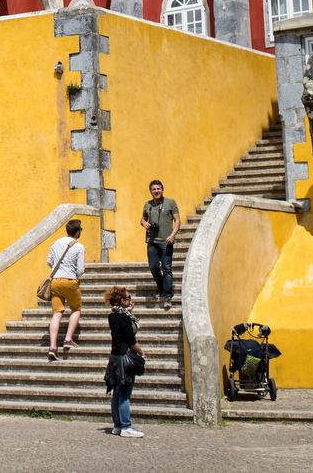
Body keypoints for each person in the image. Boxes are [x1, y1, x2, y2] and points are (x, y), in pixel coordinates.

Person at [103, 286, 145, 438]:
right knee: (125, 394)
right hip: (124, 357)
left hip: (115, 357)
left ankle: (117, 425)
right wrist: (142, 352)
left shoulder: (112, 316)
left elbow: (123, 328)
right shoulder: (125, 317)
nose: (130, 300)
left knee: (117, 393)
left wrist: (129, 312)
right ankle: (126, 426)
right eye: (128, 298)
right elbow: (130, 339)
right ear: (122, 300)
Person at [46, 218, 86, 361]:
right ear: (77, 232)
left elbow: (49, 261)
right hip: (70, 281)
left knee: (57, 313)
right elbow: (80, 269)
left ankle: (52, 347)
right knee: (76, 309)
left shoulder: (56, 243)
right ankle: (68, 339)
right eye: (80, 230)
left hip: (55, 281)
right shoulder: (79, 246)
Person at [140, 180, 180, 302]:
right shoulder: (147, 204)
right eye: (154, 189)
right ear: (150, 191)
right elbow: (142, 219)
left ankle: (167, 295)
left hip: (166, 241)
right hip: (152, 241)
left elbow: (177, 220)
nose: (156, 191)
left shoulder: (170, 202)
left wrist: (173, 235)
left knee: (166, 268)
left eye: (158, 189)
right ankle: (161, 287)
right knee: (153, 267)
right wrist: (144, 223)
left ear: (162, 189)